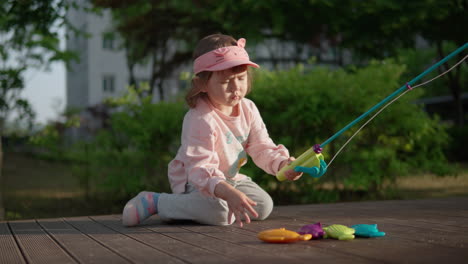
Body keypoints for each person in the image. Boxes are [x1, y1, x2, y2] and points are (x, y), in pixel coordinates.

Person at [122, 33, 303, 228]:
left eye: (241, 78)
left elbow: (261, 147)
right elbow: (200, 169)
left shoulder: (248, 108)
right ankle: (156, 202)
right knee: (221, 213)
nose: (236, 88)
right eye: (225, 82)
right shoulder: (200, 118)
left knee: (263, 205)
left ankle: (194, 210)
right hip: (196, 183)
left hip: (229, 179)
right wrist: (226, 193)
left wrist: (282, 164)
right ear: (202, 84)